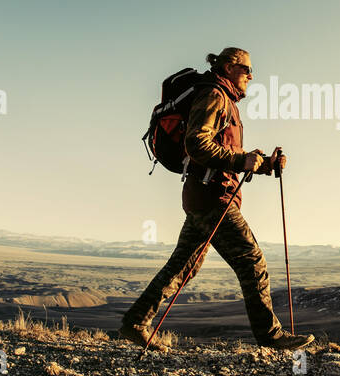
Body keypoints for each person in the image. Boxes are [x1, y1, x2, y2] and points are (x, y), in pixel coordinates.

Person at [119, 47, 314, 353]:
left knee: (184, 266)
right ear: (227, 67)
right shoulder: (214, 95)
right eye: (246, 68)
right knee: (252, 261)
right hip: (214, 197)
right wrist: (243, 161)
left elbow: (227, 154)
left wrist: (265, 163)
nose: (252, 75)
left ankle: (136, 322)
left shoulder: (222, 99)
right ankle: (271, 337)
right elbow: (197, 145)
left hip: (203, 194)